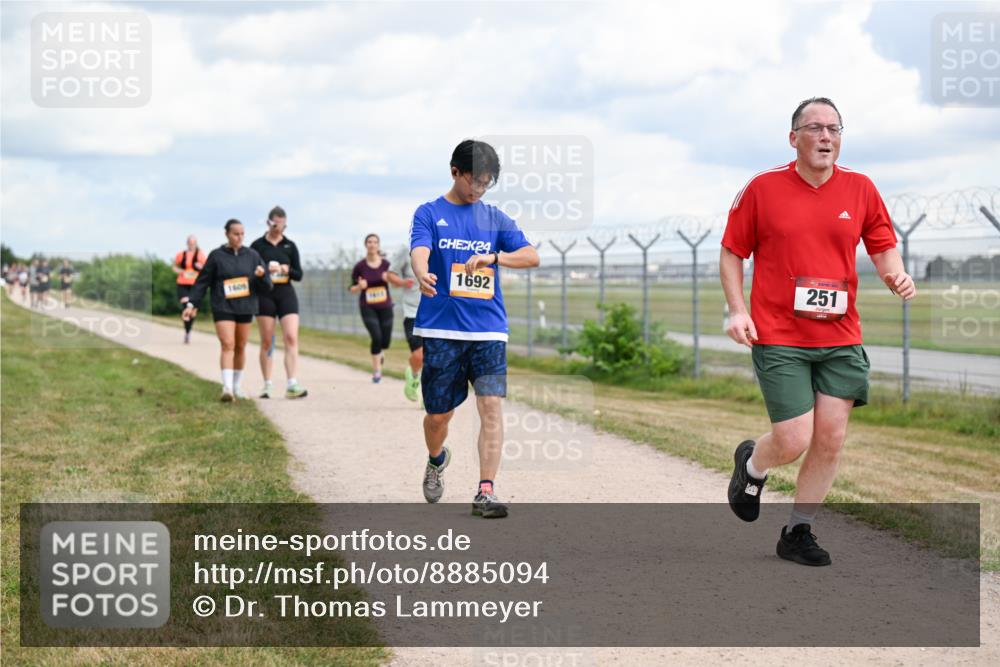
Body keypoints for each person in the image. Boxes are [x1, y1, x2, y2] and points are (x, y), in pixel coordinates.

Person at [720, 97, 916, 566]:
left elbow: (884, 246)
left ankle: (797, 531)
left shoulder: (861, 189)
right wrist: (736, 310)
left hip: (840, 337)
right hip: (780, 336)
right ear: (794, 138)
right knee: (792, 439)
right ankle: (752, 465)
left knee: (830, 438)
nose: (826, 137)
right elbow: (732, 252)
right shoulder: (763, 188)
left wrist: (896, 274)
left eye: (834, 128)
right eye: (814, 128)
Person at [410, 139, 540, 519]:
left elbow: (532, 255)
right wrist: (421, 271)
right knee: (438, 415)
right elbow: (419, 250)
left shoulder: (495, 219)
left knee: (491, 409)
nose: (479, 190)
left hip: (488, 331)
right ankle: (436, 459)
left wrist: (495, 256)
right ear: (455, 172)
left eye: (487, 183)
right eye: (475, 181)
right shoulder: (429, 213)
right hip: (441, 329)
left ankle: (486, 491)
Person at [183, 219, 272, 402]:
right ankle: (227, 387)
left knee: (240, 346)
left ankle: (237, 385)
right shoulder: (217, 256)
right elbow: (202, 282)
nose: (239, 237)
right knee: (227, 344)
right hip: (223, 305)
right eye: (235, 234)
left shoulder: (253, 256)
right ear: (227, 234)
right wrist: (191, 304)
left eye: (242, 234)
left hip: (245, 306)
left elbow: (267, 286)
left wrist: (262, 277)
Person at [250, 206, 307, 399]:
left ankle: (292, 384)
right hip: (265, 294)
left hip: (285, 294)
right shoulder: (257, 245)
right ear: (269, 223)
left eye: (282, 225)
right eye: (275, 224)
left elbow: (299, 274)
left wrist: (286, 269)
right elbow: (249, 272)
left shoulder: (290, 246)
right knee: (267, 340)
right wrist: (264, 271)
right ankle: (267, 384)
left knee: (291, 337)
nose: (279, 228)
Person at [351, 234, 408, 383]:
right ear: (366, 245)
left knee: (385, 341)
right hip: (367, 306)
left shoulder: (386, 265)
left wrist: (389, 280)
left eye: (375, 242)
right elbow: (351, 288)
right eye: (369, 242)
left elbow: (395, 284)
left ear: (378, 245)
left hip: (385, 306)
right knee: (376, 337)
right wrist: (359, 286)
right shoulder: (360, 266)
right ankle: (377, 371)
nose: (372, 244)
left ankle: (380, 354)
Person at [389, 247, 422, 402]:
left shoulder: (443, 248)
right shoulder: (406, 251)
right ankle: (414, 375)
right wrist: (402, 282)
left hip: (438, 313)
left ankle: (429, 398)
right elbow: (390, 275)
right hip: (413, 312)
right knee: (419, 355)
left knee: (436, 358)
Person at [173, 235, 208, 344]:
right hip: (183, 284)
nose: (191, 244)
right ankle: (187, 332)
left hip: (196, 286)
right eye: (190, 242)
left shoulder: (201, 255)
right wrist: (182, 272)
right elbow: (174, 267)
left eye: (193, 243)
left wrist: (199, 267)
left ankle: (188, 330)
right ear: (187, 243)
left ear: (196, 243)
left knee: (192, 312)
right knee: (185, 308)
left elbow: (207, 269)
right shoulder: (181, 255)